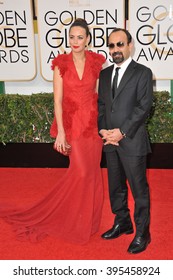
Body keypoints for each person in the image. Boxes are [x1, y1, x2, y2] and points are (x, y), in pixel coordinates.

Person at [0, 18, 106, 244]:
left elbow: (98, 96)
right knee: (81, 172)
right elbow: (57, 101)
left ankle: (89, 221)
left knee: (93, 172)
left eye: (80, 37)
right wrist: (61, 132)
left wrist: (104, 125)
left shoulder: (96, 62)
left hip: (92, 124)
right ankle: (72, 219)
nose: (75, 41)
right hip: (73, 124)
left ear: (88, 39)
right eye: (72, 37)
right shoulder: (61, 64)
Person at [98, 28, 153, 254]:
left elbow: (144, 107)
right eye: (111, 46)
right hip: (110, 140)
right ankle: (123, 222)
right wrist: (103, 129)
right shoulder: (104, 74)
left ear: (130, 45)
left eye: (120, 44)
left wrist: (122, 131)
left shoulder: (142, 72)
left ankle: (143, 232)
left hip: (132, 141)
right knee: (116, 187)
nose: (116, 50)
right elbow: (101, 105)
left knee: (139, 189)